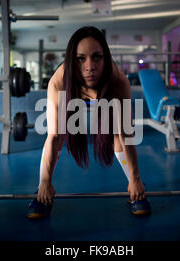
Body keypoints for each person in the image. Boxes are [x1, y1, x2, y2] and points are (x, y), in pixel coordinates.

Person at [27, 26, 150, 219]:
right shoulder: (58, 82)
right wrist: (44, 182)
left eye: (97, 57)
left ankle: (135, 191)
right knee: (57, 134)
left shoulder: (119, 82)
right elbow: (54, 136)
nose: (90, 66)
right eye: (80, 58)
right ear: (71, 60)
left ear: (105, 58)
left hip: (105, 96)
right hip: (73, 95)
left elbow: (127, 134)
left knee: (118, 134)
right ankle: (42, 190)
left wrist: (135, 179)